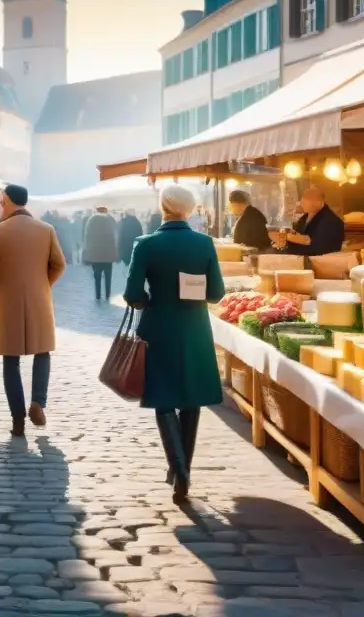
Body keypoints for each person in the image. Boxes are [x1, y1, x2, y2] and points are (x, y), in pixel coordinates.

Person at [123, 185, 225, 504]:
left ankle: (178, 469)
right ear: (191, 210)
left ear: (162, 207)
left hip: (159, 326)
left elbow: (132, 293)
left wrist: (147, 301)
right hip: (194, 327)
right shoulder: (204, 243)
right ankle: (184, 470)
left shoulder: (146, 244)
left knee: (164, 397)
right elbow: (216, 293)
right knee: (191, 397)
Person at [0, 184, 66, 436]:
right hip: (39, 298)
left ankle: (17, 418)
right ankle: (38, 402)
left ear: (4, 201)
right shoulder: (46, 229)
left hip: (7, 300)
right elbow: (59, 264)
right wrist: (43, 284)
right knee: (42, 352)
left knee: (11, 359)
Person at [272, 186, 345, 255]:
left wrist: (290, 242)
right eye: (303, 199)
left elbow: (320, 248)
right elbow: (297, 232)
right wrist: (286, 237)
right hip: (302, 254)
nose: (302, 204)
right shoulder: (306, 216)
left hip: (321, 259)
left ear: (319, 202)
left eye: (308, 200)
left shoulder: (330, 220)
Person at [83, 206, 117, 301]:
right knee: (108, 276)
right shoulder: (110, 219)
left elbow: (87, 237)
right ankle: (107, 294)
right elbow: (115, 236)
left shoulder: (91, 220)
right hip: (108, 254)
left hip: (95, 254)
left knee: (97, 276)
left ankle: (98, 295)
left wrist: (87, 251)